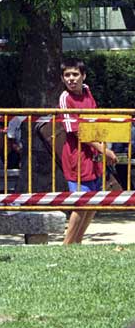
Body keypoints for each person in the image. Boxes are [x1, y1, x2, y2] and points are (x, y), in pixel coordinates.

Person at [59, 58, 117, 245]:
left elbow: (96, 122)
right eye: (67, 75)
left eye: (75, 74)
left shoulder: (87, 92)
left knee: (93, 203)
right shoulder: (65, 98)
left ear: (83, 76)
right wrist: (104, 149)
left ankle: (78, 243)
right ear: (62, 78)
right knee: (80, 203)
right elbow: (76, 131)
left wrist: (103, 146)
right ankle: (67, 245)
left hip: (93, 157)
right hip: (76, 157)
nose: (71, 79)